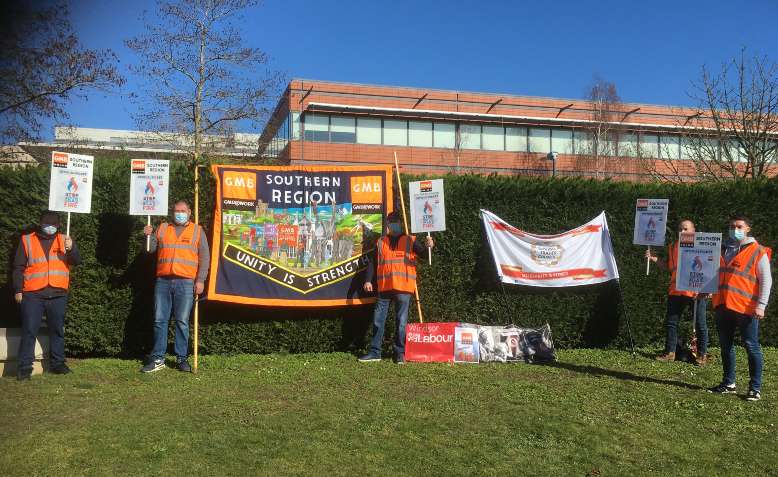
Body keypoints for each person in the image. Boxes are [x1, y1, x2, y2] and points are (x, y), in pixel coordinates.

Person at [141, 200, 210, 373]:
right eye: (176, 210)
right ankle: (158, 358)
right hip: (163, 281)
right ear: (172, 212)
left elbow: (205, 258)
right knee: (159, 320)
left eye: (183, 210)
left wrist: (200, 280)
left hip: (186, 283)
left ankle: (181, 358)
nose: (179, 213)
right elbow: (149, 251)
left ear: (189, 212)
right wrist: (147, 236)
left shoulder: (197, 230)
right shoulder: (163, 228)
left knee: (182, 322)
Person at [708, 216, 772, 401]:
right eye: (732, 226)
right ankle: (729, 383)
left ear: (748, 228)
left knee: (752, 346)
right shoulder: (723, 249)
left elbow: (766, 281)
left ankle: (755, 388)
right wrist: (707, 291)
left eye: (739, 226)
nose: (735, 229)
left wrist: (761, 305)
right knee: (725, 346)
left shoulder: (757, 251)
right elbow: (716, 275)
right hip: (723, 305)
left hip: (746, 309)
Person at [12, 211, 81, 380]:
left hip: (58, 294)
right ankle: (24, 368)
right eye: (47, 224)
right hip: (33, 294)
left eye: (54, 225)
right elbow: (18, 267)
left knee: (57, 331)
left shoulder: (65, 240)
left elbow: (77, 261)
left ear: (58, 225)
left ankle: (58, 364)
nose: (50, 227)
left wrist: (71, 248)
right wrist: (18, 290)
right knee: (29, 330)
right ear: (40, 223)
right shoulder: (27, 240)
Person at [359, 211, 434, 364]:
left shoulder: (411, 241)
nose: (393, 224)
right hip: (384, 287)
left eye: (395, 221)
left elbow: (425, 256)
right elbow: (373, 263)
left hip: (404, 288)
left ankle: (399, 353)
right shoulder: (380, 242)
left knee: (401, 322)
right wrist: (368, 280)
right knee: (378, 321)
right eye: (390, 221)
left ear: (401, 223)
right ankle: (375, 352)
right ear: (387, 224)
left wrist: (430, 247)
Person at [646, 219, 709, 365]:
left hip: (696, 291)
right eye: (680, 229)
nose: (682, 232)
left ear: (693, 230)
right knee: (672, 323)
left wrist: (708, 289)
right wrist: (654, 258)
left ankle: (702, 355)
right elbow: (669, 268)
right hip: (676, 291)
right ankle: (670, 352)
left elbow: (710, 268)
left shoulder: (703, 245)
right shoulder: (673, 246)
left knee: (700, 324)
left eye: (686, 229)